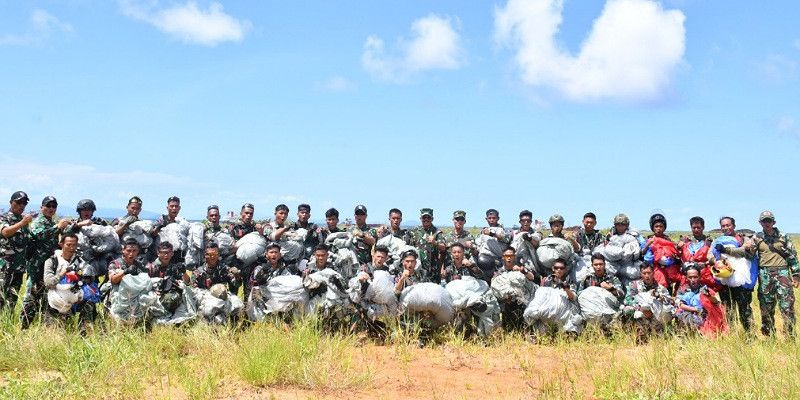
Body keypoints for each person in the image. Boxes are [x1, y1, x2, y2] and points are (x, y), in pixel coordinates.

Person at [20, 196, 70, 328]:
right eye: (48, 206)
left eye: (54, 206)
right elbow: (39, 235)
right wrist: (58, 227)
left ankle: (44, 327)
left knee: (46, 297)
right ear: (41, 207)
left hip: (48, 266)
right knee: (31, 296)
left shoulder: (50, 223)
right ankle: (24, 327)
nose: (51, 209)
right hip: (36, 265)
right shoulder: (38, 222)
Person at [748, 211, 799, 337]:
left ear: (773, 222)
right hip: (765, 274)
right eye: (764, 221)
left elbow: (792, 256)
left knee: (787, 306)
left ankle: (790, 336)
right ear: (760, 223)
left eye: (769, 221)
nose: (767, 223)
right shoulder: (757, 237)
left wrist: (796, 275)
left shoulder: (783, 236)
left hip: (782, 273)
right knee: (766, 307)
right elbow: (750, 257)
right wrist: (748, 247)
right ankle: (768, 336)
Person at [709, 216, 756, 332]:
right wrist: (717, 262)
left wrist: (725, 250)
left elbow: (745, 252)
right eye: (723, 226)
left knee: (744, 309)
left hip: (741, 282)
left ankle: (749, 334)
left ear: (734, 226)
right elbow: (709, 255)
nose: (726, 228)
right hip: (724, 280)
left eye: (728, 225)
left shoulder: (743, 239)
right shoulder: (717, 241)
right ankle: (732, 334)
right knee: (728, 309)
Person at [43, 233, 97, 326]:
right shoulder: (52, 261)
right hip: (55, 300)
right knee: (54, 331)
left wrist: (82, 282)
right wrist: (63, 273)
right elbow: (48, 283)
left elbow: (90, 280)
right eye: (68, 245)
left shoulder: (80, 262)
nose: (71, 248)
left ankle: (85, 333)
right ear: (61, 245)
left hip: (75, 298)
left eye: (74, 245)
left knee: (90, 303)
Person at [0, 191, 34, 311]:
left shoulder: (23, 220)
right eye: (18, 202)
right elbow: (5, 232)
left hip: (19, 268)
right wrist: (22, 223)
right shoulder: (4, 217)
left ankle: (7, 325)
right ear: (11, 202)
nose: (21, 205)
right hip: (5, 268)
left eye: (24, 203)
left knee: (11, 301)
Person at [622, 264, 670, 344]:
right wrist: (641, 308)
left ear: (653, 273)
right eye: (644, 273)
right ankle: (631, 333)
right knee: (627, 310)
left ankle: (658, 333)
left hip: (655, 313)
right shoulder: (634, 285)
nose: (647, 276)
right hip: (639, 312)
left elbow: (669, 301)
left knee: (667, 312)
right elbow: (628, 300)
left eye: (649, 273)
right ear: (640, 274)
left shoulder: (660, 288)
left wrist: (660, 298)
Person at [674, 265, 727, 336]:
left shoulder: (704, 288)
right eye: (690, 277)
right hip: (688, 313)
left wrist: (708, 296)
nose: (693, 280)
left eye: (695, 277)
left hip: (703, 314)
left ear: (699, 277)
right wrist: (696, 310)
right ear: (686, 278)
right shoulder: (682, 289)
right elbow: (680, 304)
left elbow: (716, 302)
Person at [494, 246, 537, 332]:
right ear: (503, 257)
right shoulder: (499, 272)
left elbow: (532, 278)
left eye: (511, 255)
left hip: (523, 300)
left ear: (515, 256)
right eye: (506, 256)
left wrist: (522, 271)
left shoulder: (521, 268)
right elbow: (495, 287)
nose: (509, 258)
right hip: (506, 302)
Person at [642, 213, 681, 294]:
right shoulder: (648, 240)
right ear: (652, 228)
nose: (659, 229)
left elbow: (675, 254)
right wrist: (648, 245)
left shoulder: (668, 240)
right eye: (656, 226)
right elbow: (642, 253)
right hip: (654, 271)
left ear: (664, 228)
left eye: (661, 226)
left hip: (668, 271)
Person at [409, 208, 443, 283]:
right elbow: (409, 249)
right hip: (417, 269)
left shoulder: (437, 232)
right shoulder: (414, 231)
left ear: (432, 219)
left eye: (429, 217)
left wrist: (435, 242)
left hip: (433, 270)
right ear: (420, 218)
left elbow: (443, 248)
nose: (426, 219)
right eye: (424, 217)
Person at [476, 209, 509, 279]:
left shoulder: (501, 229)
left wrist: (491, 233)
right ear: (486, 219)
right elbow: (478, 244)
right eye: (489, 218)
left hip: (498, 260)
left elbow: (507, 238)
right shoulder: (483, 231)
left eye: (494, 218)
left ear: (498, 218)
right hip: (484, 260)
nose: (491, 220)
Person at [151, 196, 185, 263]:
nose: (174, 208)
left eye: (176, 206)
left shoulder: (182, 222)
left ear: (179, 208)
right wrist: (159, 227)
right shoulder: (161, 220)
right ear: (167, 207)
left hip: (176, 255)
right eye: (172, 206)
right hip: (163, 255)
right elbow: (152, 234)